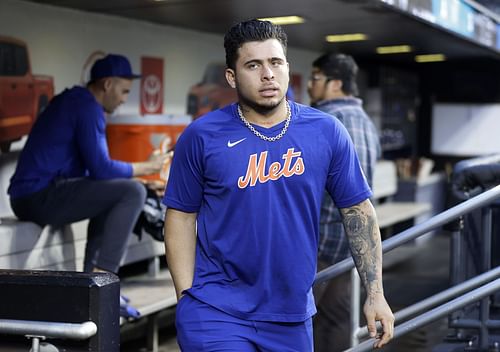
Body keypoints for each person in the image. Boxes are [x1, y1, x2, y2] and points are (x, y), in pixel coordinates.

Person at [163, 19, 394, 351]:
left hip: (292, 316)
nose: (267, 74)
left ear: (287, 67)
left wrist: (375, 294)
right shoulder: (201, 136)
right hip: (216, 311)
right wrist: (186, 298)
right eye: (253, 65)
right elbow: (181, 216)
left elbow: (357, 210)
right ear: (232, 76)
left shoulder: (326, 131)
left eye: (275, 62)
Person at [8, 54, 168, 318]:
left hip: (31, 195)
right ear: (107, 84)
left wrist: (138, 176)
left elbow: (98, 175)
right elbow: (102, 168)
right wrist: (146, 168)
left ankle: (91, 284)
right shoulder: (87, 107)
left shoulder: (74, 101)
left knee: (121, 191)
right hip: (37, 196)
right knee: (132, 192)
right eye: (123, 91)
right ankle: (104, 285)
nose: (124, 98)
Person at [308, 53, 382, 352]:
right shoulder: (367, 124)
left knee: (292, 322)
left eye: (315, 78)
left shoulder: (323, 122)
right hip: (349, 247)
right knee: (337, 320)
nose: (310, 86)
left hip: (317, 245)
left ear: (335, 83)